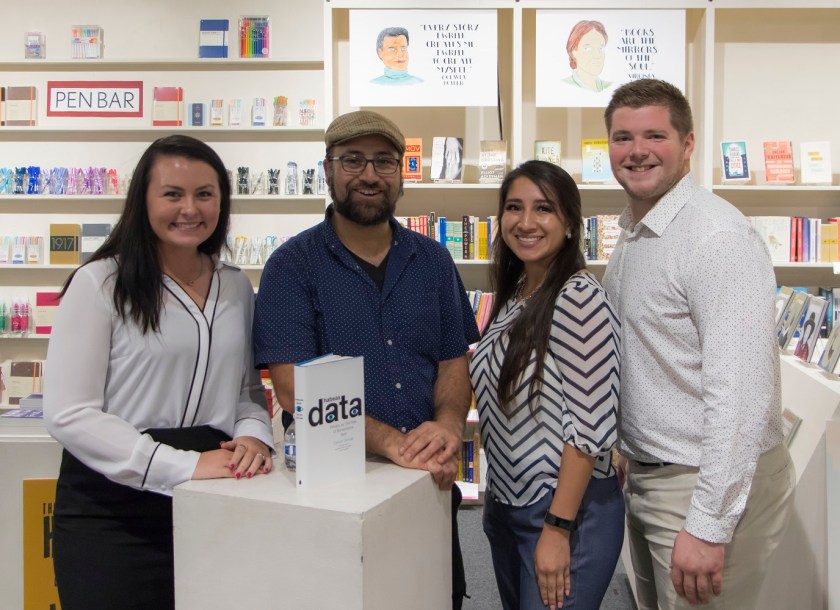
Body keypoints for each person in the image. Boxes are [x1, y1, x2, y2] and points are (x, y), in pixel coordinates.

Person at [253, 110, 480, 609]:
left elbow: (452, 360)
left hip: (425, 481)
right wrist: (393, 443)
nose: (370, 175)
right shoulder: (291, 266)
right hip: (333, 491)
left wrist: (445, 428)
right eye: (353, 160)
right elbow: (292, 387)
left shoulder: (433, 260)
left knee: (435, 596)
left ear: (402, 173)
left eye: (384, 161)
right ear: (328, 170)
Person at [43, 135, 275, 610]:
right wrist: (184, 465)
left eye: (204, 194)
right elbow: (69, 414)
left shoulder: (235, 286)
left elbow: (246, 390)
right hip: (112, 509)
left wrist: (254, 436)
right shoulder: (100, 284)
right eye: (172, 194)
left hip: (214, 501)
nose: (190, 209)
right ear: (142, 200)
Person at [601, 78, 795, 609]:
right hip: (650, 477)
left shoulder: (715, 238)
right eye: (622, 138)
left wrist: (709, 524)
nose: (637, 151)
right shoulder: (637, 233)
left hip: (703, 486)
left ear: (688, 145)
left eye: (655, 135)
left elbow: (742, 394)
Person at [470, 160, 624, 610]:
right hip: (510, 505)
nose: (526, 222)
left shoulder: (577, 297)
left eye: (544, 209)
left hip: (564, 514)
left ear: (571, 225)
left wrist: (557, 529)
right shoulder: (518, 292)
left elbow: (591, 428)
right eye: (514, 207)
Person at [561, 20, 612, 93]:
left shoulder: (609, 86)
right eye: (588, 49)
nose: (597, 55)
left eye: (601, 48)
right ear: (573, 51)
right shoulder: (565, 86)